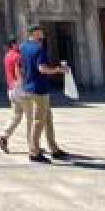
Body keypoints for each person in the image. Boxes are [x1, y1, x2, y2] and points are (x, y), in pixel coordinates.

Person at [18, 25, 69, 163]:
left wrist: (24, 81)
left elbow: (20, 66)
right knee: (39, 121)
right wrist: (59, 70)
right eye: (40, 32)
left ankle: (54, 149)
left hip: (29, 87)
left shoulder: (22, 47)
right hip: (39, 88)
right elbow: (42, 69)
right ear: (34, 33)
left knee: (47, 119)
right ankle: (34, 152)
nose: (43, 34)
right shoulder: (39, 48)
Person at [0, 39, 31, 153]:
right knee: (31, 117)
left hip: (11, 89)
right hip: (20, 88)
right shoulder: (18, 56)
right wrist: (25, 84)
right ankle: (33, 144)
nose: (20, 45)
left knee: (16, 116)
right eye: (18, 43)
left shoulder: (6, 56)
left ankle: (3, 136)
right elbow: (19, 72)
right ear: (13, 45)